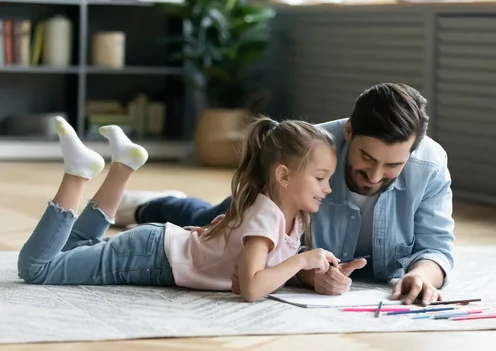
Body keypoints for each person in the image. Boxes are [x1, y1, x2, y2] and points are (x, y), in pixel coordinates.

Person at [115, 83, 455, 306]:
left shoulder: (431, 167)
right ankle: (148, 205)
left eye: (393, 165)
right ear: (349, 131)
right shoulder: (311, 152)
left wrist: (421, 275)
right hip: (260, 213)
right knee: (203, 223)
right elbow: (276, 252)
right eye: (366, 158)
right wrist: (307, 275)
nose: (375, 176)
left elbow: (436, 247)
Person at [17, 116, 340, 302]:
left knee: (73, 246)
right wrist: (302, 260)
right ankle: (77, 175)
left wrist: (311, 273)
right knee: (38, 269)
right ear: (283, 175)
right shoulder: (268, 217)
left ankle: (123, 167)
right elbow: (253, 290)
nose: (327, 188)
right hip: (150, 257)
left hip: (155, 250)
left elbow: (253, 276)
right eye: (320, 178)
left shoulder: (292, 217)